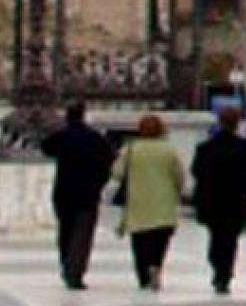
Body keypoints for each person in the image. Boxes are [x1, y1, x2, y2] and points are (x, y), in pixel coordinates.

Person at [40, 101, 115, 290]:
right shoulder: (95, 138)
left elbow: (45, 147)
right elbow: (109, 160)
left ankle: (66, 264)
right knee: (82, 236)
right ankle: (75, 271)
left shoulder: (62, 136)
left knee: (66, 231)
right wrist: (100, 181)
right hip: (88, 194)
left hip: (64, 192)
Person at [111, 113, 187, 291]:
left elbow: (116, 172)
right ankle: (155, 265)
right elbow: (180, 176)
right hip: (164, 203)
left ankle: (143, 276)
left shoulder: (131, 149)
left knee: (140, 242)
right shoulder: (169, 150)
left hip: (138, 203)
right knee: (159, 241)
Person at [193, 107, 246, 294]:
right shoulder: (245, 148)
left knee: (216, 237)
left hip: (212, 202)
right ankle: (224, 272)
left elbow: (197, 172)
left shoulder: (205, 148)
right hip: (236, 203)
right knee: (230, 240)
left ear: (220, 122)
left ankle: (220, 269)